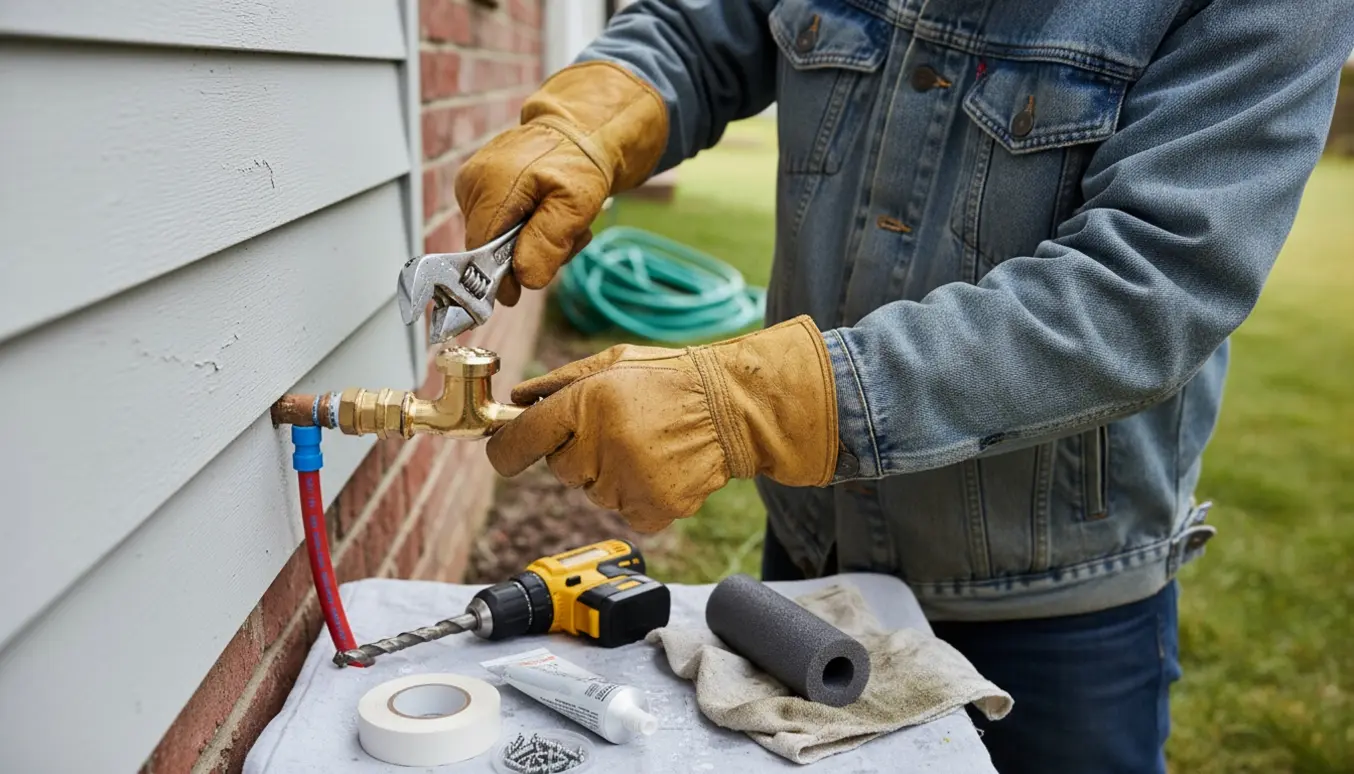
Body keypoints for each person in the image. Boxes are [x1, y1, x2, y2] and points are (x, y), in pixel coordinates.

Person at [453, 2, 1354, 772]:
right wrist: (591, 115)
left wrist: (755, 403)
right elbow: (702, 27)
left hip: (1053, 612)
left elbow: (1149, 289)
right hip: (812, 553)